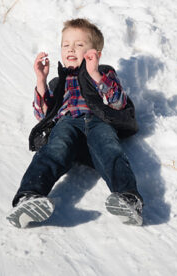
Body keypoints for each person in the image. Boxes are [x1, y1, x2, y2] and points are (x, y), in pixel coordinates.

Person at [7, 18, 142, 227]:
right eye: (66, 45)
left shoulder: (104, 72)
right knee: (53, 151)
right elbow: (42, 114)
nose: (71, 49)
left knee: (110, 151)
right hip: (67, 123)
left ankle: (128, 198)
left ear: (95, 54)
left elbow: (118, 103)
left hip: (99, 122)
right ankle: (29, 197)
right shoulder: (58, 81)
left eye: (79, 45)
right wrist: (41, 81)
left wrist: (96, 74)